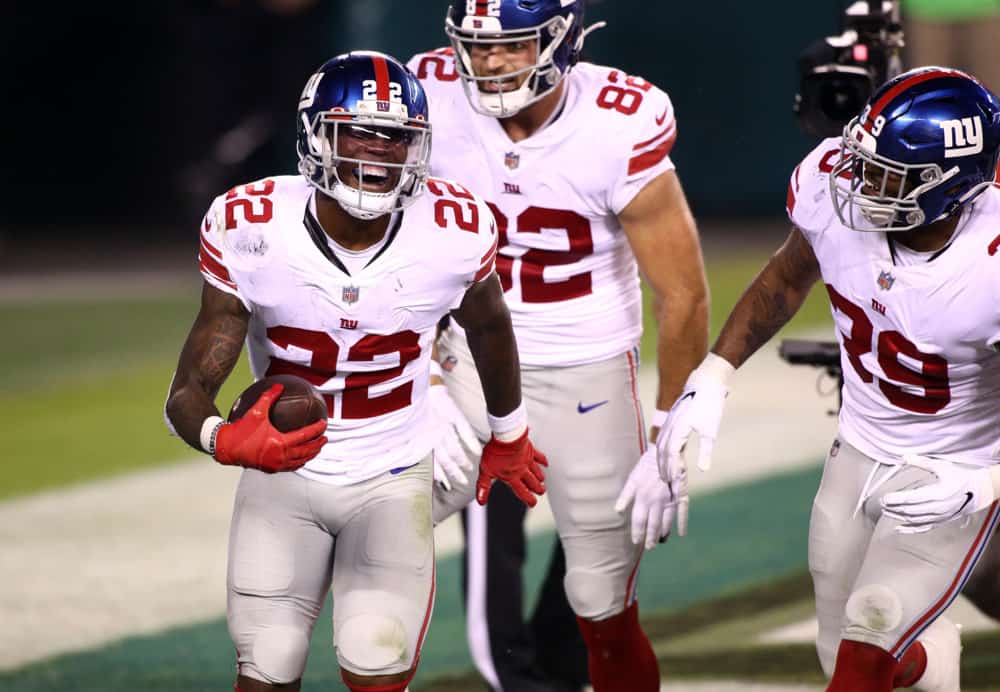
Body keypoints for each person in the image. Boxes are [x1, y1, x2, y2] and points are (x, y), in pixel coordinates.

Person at [163, 50, 547, 692]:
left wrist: (509, 433)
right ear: (317, 135)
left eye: (396, 137)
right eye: (359, 132)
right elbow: (187, 391)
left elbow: (488, 325)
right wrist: (220, 438)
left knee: (376, 656)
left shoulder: (454, 226)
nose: (377, 153)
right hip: (284, 478)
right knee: (269, 663)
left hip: (393, 473)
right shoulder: (250, 225)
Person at [658, 66, 1000, 692]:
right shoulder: (833, 187)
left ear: (949, 185)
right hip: (859, 447)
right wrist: (714, 371)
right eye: (862, 162)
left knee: (868, 642)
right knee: (838, 643)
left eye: (885, 174)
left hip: (952, 470)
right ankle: (930, 661)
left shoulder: (990, 264)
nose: (859, 182)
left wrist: (989, 473)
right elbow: (787, 277)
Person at [406, 2, 710, 690]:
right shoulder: (429, 100)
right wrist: (419, 378)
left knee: (602, 601)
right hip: (467, 367)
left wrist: (669, 429)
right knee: (369, 515)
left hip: (588, 373)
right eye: (475, 47)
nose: (487, 63)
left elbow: (683, 293)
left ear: (561, 40)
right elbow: (398, 256)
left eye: (509, 46)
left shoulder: (617, 119)